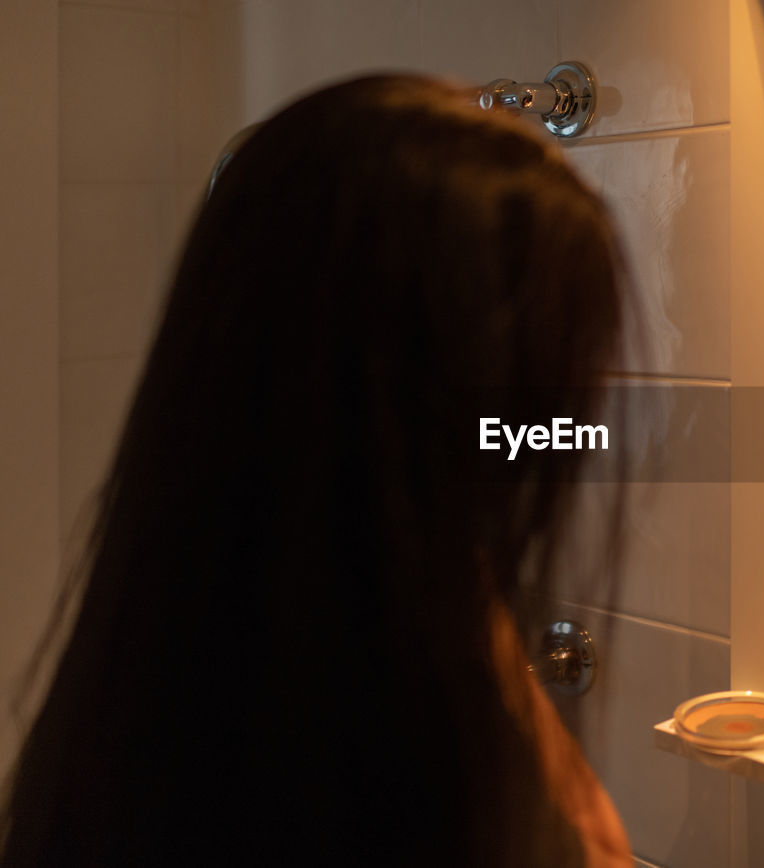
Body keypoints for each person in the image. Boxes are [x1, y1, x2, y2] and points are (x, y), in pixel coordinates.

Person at [1, 75, 631, 865]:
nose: (574, 409)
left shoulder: (179, 649)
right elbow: (599, 847)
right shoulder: (358, 754)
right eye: (552, 373)